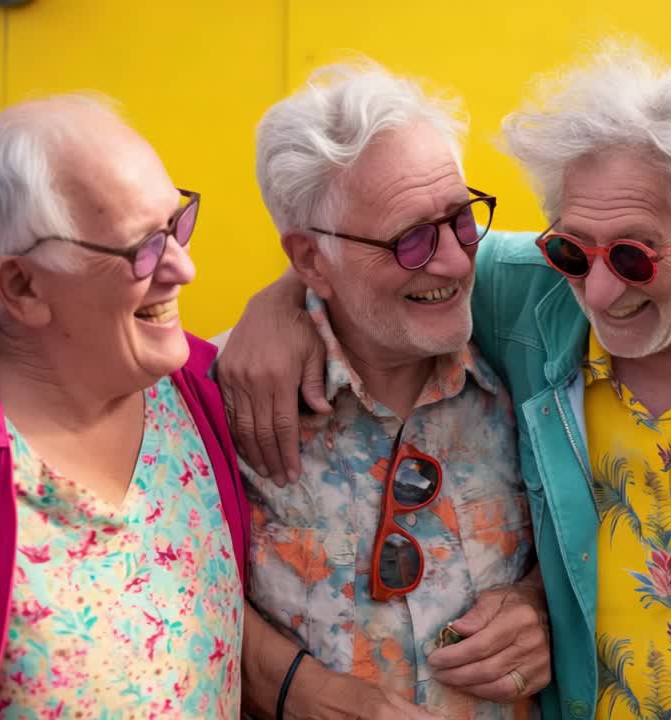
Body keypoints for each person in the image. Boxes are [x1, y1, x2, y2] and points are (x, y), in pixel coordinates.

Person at [218, 46, 671, 719]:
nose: (597, 290)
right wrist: (277, 304)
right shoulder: (534, 302)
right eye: (571, 248)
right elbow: (376, 250)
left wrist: (537, 601)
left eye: (634, 253)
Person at [0, 96, 249, 718]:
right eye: (143, 248)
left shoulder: (206, 394)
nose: (184, 267)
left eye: (178, 224)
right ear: (23, 286)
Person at [227, 62, 547, 720]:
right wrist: (290, 690)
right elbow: (164, 591)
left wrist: (545, 605)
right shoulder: (219, 403)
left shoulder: (534, 361)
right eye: (409, 241)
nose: (456, 261)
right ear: (312, 259)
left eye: (461, 218)